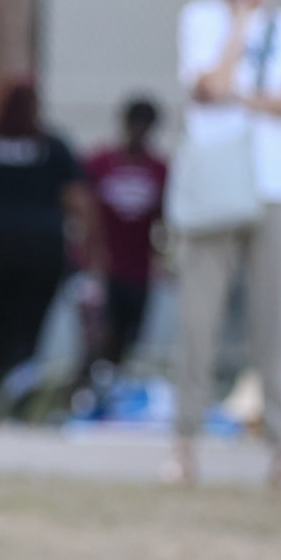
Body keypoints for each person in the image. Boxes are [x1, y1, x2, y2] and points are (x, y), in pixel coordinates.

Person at [172, 0, 281, 487]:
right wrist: (240, 30)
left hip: (277, 186)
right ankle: (185, 442)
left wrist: (241, 96)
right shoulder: (201, 19)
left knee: (276, 321)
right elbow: (208, 87)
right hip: (218, 184)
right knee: (200, 316)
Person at [0, 78, 91, 413]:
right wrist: (86, 245)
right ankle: (19, 396)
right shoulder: (52, 147)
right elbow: (77, 199)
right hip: (41, 248)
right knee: (29, 326)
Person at [83, 97, 168, 369]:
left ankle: (117, 381)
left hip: (139, 267)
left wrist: (163, 256)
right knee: (98, 334)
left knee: (131, 336)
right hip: (103, 265)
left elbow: (164, 218)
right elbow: (84, 210)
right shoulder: (99, 163)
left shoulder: (160, 169)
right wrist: (91, 255)